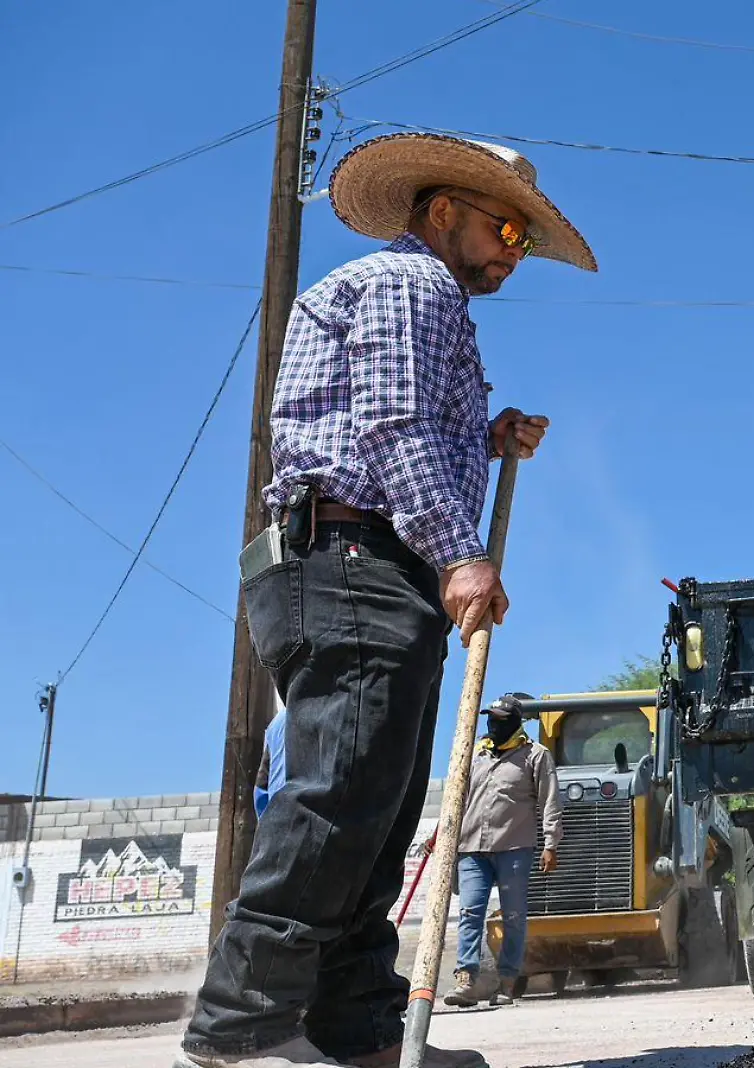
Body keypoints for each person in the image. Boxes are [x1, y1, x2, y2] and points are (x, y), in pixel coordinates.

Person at [177, 132, 597, 1068]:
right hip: (349, 556)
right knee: (339, 796)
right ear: (442, 212)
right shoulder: (415, 285)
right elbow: (393, 426)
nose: (511, 256)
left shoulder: (423, 299)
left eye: (523, 243)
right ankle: (239, 1034)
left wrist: (486, 438)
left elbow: (389, 424)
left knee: (380, 804)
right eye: (505, 232)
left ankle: (355, 1033)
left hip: (366, 559)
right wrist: (460, 555)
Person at [443, 704, 562, 1008]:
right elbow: (456, 799)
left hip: (514, 848)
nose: (494, 727)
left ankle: (507, 981)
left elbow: (549, 800)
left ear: (515, 723)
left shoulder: (534, 755)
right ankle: (466, 977)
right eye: (491, 721)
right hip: (471, 848)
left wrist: (551, 844)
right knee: (470, 913)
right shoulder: (474, 755)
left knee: (513, 916)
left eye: (501, 722)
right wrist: (441, 837)